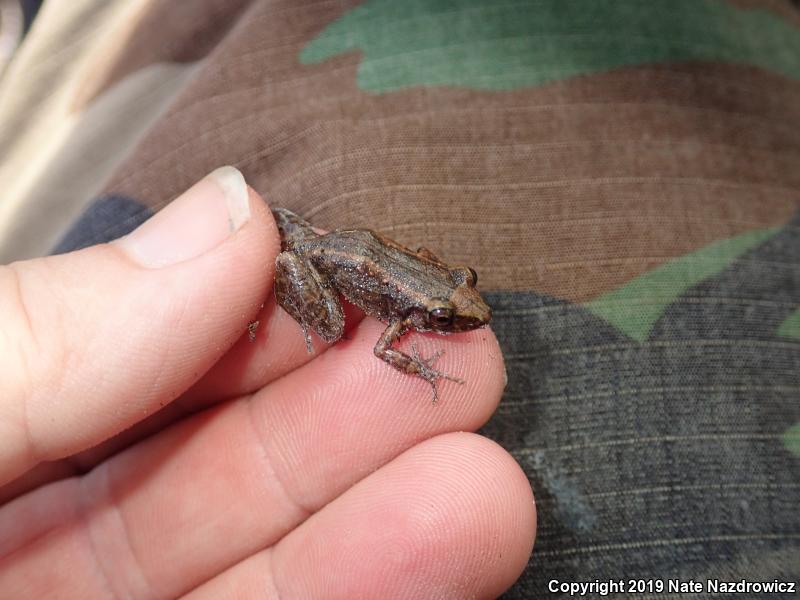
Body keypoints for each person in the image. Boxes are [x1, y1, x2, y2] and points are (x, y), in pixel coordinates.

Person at [0, 167, 536, 598]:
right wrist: (422, 368)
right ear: (426, 315)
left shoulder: (424, 293)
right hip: (329, 260)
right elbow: (379, 348)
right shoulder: (406, 314)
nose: (458, 321)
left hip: (352, 250)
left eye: (449, 310)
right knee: (328, 326)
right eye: (444, 318)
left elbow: (416, 281)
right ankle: (276, 278)